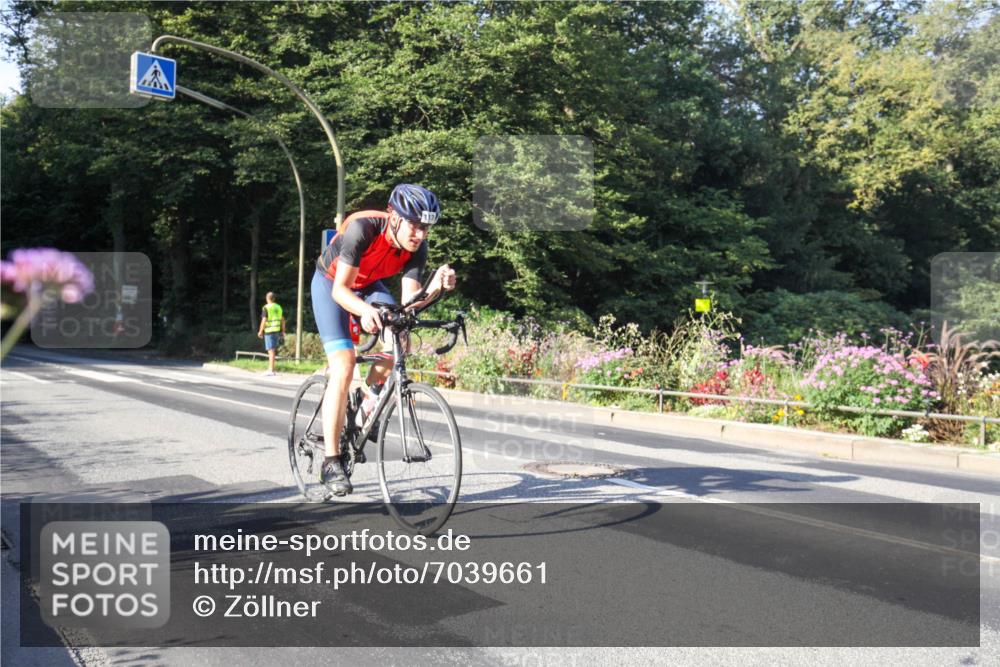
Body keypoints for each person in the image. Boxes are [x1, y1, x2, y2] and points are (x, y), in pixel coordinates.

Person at [311, 184, 456, 496]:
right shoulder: (362, 229)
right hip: (331, 284)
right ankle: (330, 461)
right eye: (415, 226)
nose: (420, 234)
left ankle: (366, 405)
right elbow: (341, 291)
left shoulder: (418, 248)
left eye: (426, 228)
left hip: (368, 285)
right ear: (394, 217)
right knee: (344, 365)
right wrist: (363, 311)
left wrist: (437, 287)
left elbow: (409, 302)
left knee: (400, 337)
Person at [257, 292, 286, 376]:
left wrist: (260, 331)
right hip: (276, 330)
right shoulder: (278, 307)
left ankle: (271, 370)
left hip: (269, 330)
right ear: (274, 299)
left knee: (271, 351)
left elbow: (264, 320)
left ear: (267, 298)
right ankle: (271, 369)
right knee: (272, 350)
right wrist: (283, 331)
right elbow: (283, 320)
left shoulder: (266, 307)